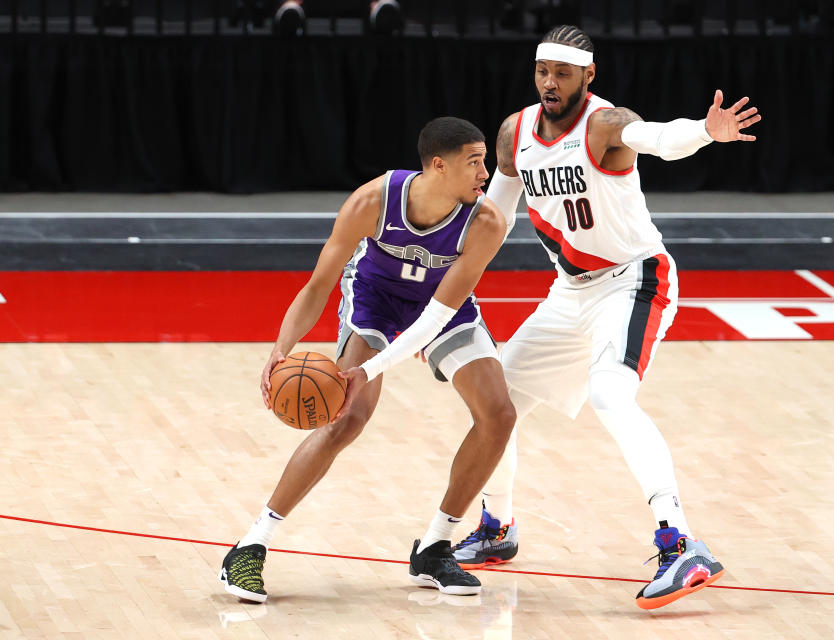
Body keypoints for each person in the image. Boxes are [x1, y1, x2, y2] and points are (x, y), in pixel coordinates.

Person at [451, 25, 761, 610]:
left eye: (562, 73)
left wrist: (703, 132)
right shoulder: (514, 133)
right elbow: (494, 218)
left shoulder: (603, 125)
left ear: (588, 76)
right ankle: (498, 527)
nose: (549, 82)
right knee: (496, 399)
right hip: (569, 292)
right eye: (543, 70)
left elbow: (656, 138)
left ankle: (680, 543)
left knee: (611, 394)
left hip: (634, 280)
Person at [219, 116, 516, 601]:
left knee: (499, 414)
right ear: (439, 166)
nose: (486, 174)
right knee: (346, 417)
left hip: (440, 307)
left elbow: (435, 318)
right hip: (375, 296)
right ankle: (251, 547)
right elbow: (319, 284)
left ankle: (435, 548)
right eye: (475, 162)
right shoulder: (372, 201)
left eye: (485, 160)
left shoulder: (485, 223)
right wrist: (281, 349)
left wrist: (370, 369)